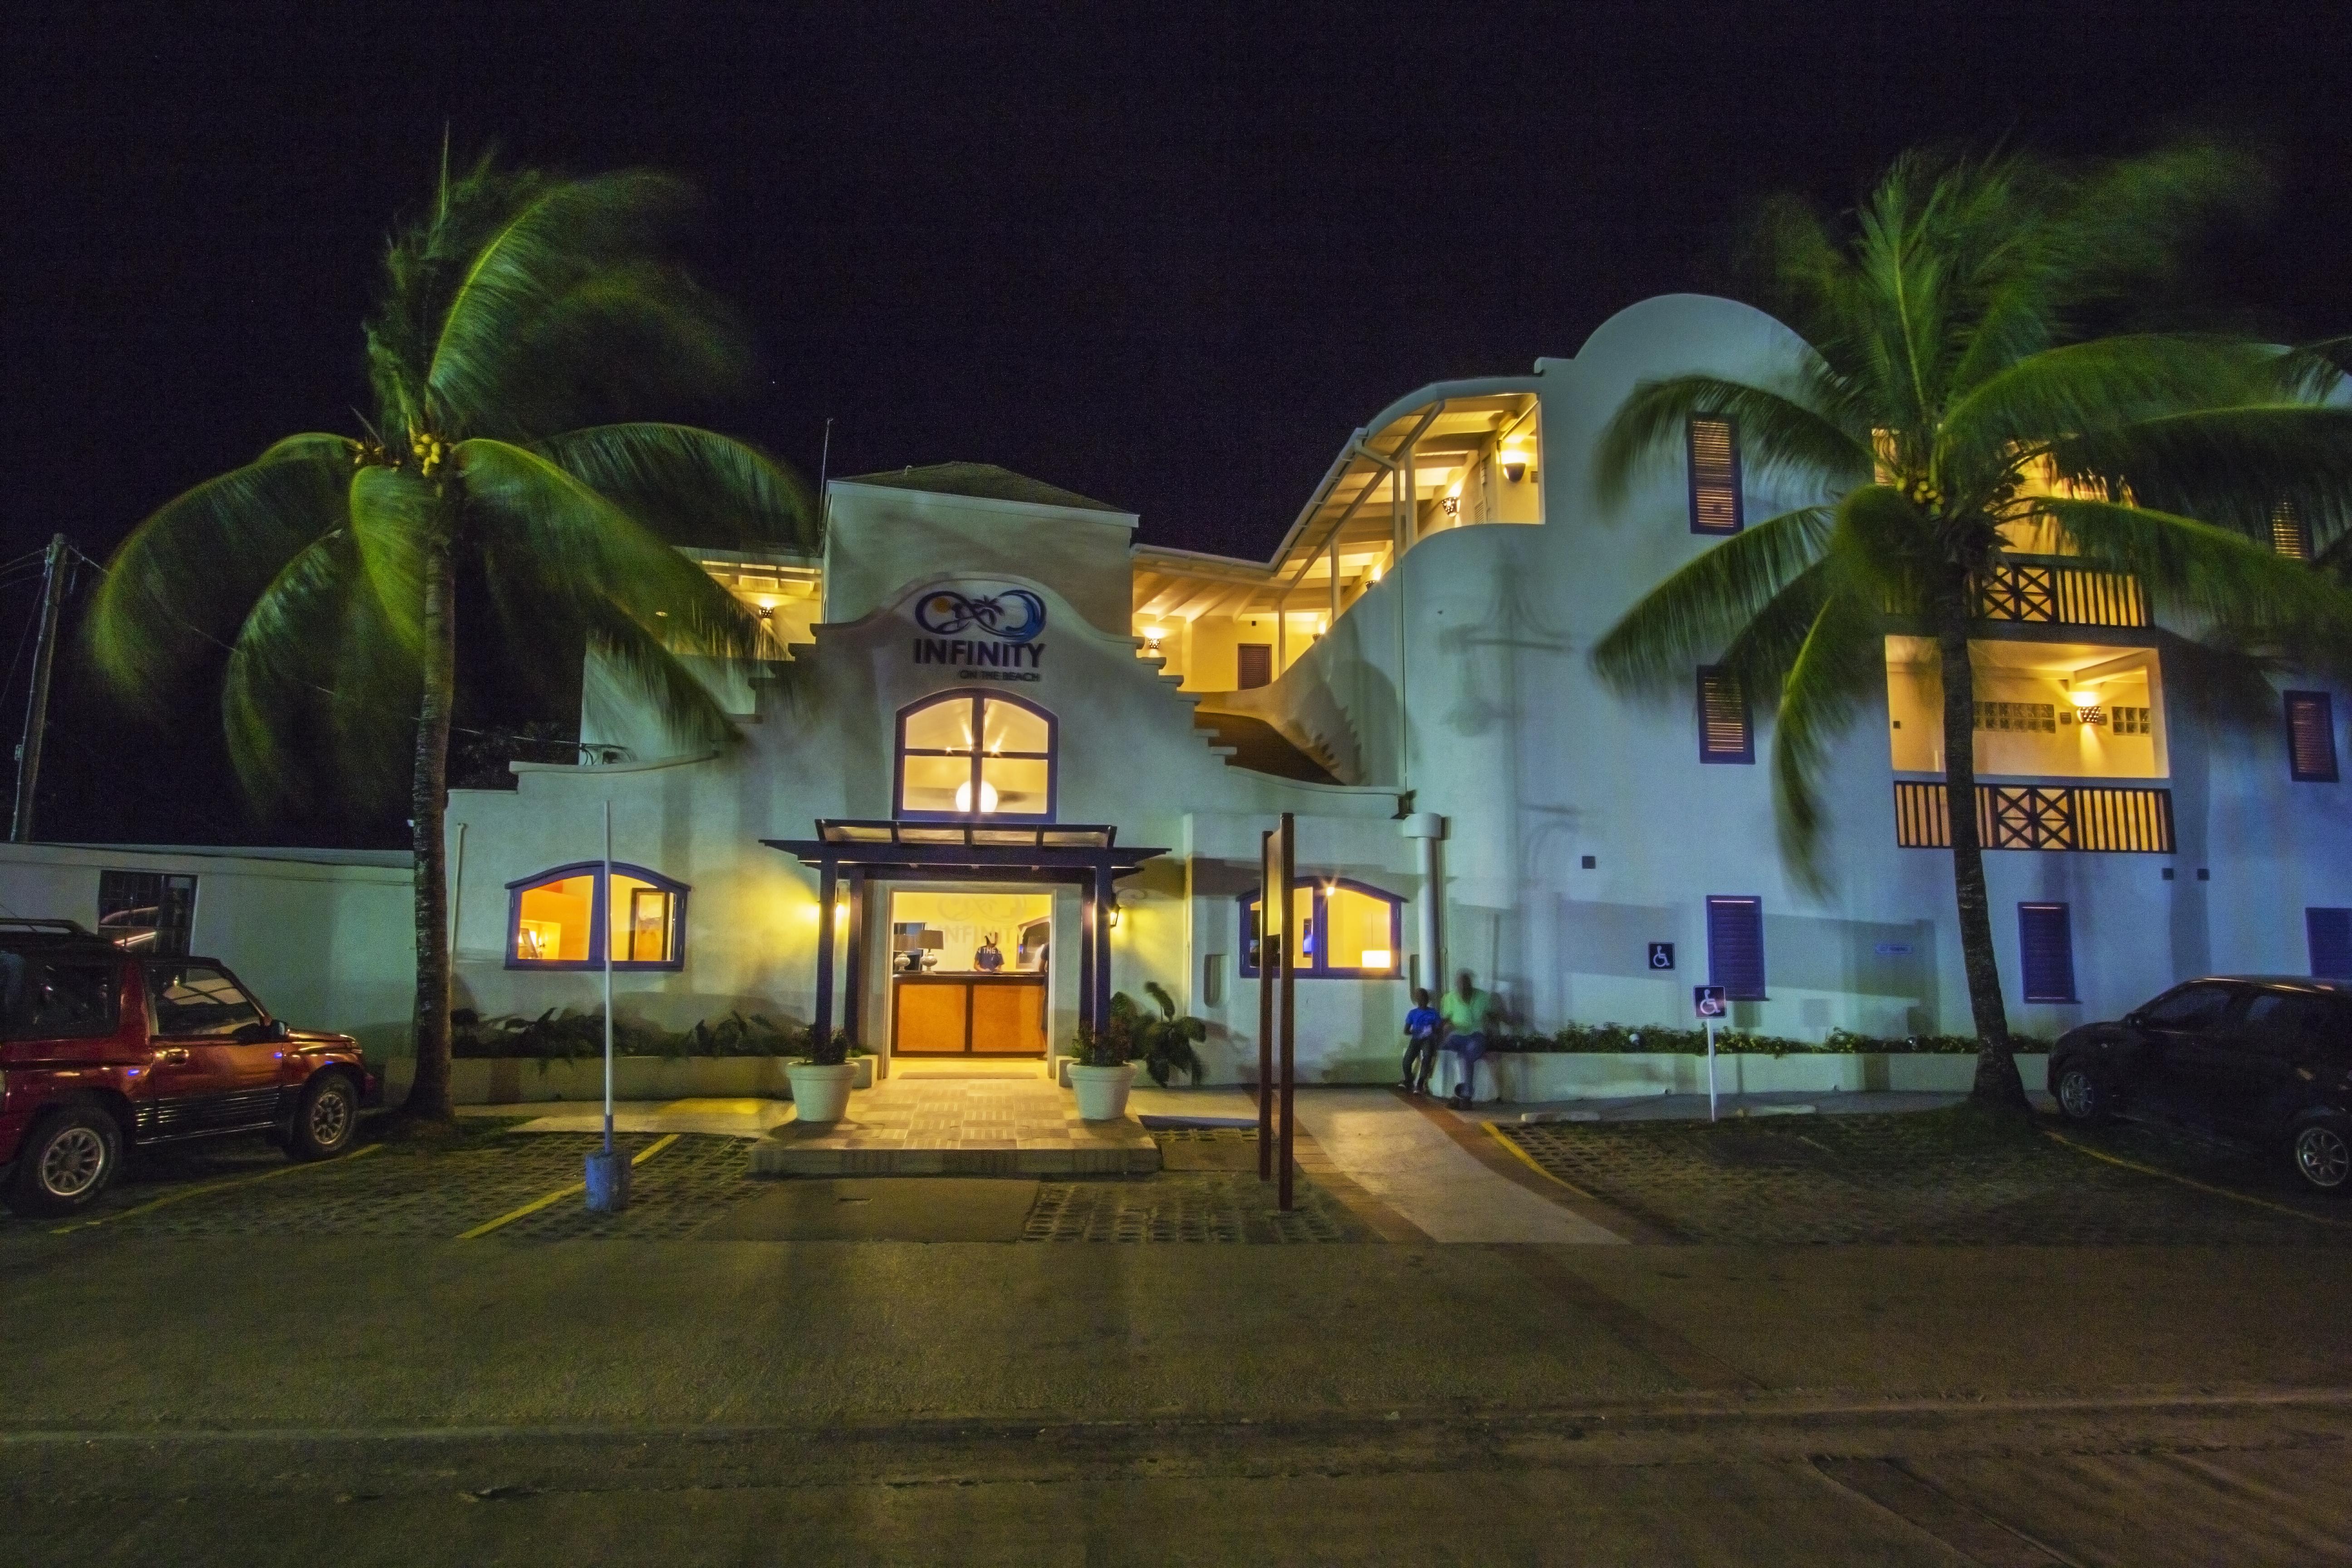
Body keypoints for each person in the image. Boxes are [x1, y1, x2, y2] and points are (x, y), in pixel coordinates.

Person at [1438, 969, 1499, 1108]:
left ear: (1471, 983)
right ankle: (1464, 1095)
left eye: (1466, 983)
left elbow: (1492, 1017)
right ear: (1457, 985)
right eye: (1460, 984)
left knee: (1467, 1054)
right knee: (1456, 1047)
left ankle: (1465, 1096)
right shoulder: (1449, 998)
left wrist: (1498, 1029)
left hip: (1476, 1035)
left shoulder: (1483, 997)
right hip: (1457, 1036)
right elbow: (1446, 1020)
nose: (1464, 987)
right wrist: (1446, 1028)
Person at [1398, 987, 1441, 1094]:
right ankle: (1409, 1080)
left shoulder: (1433, 1013)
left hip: (1429, 1039)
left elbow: (1439, 1029)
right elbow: (1406, 1031)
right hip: (1416, 1039)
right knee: (1407, 1062)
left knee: (1427, 1057)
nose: (1422, 1000)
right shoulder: (1413, 1013)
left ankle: (1421, 1083)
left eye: (1424, 997)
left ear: (1427, 999)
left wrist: (1431, 1030)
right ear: (1417, 1000)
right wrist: (1417, 1031)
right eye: (1420, 998)